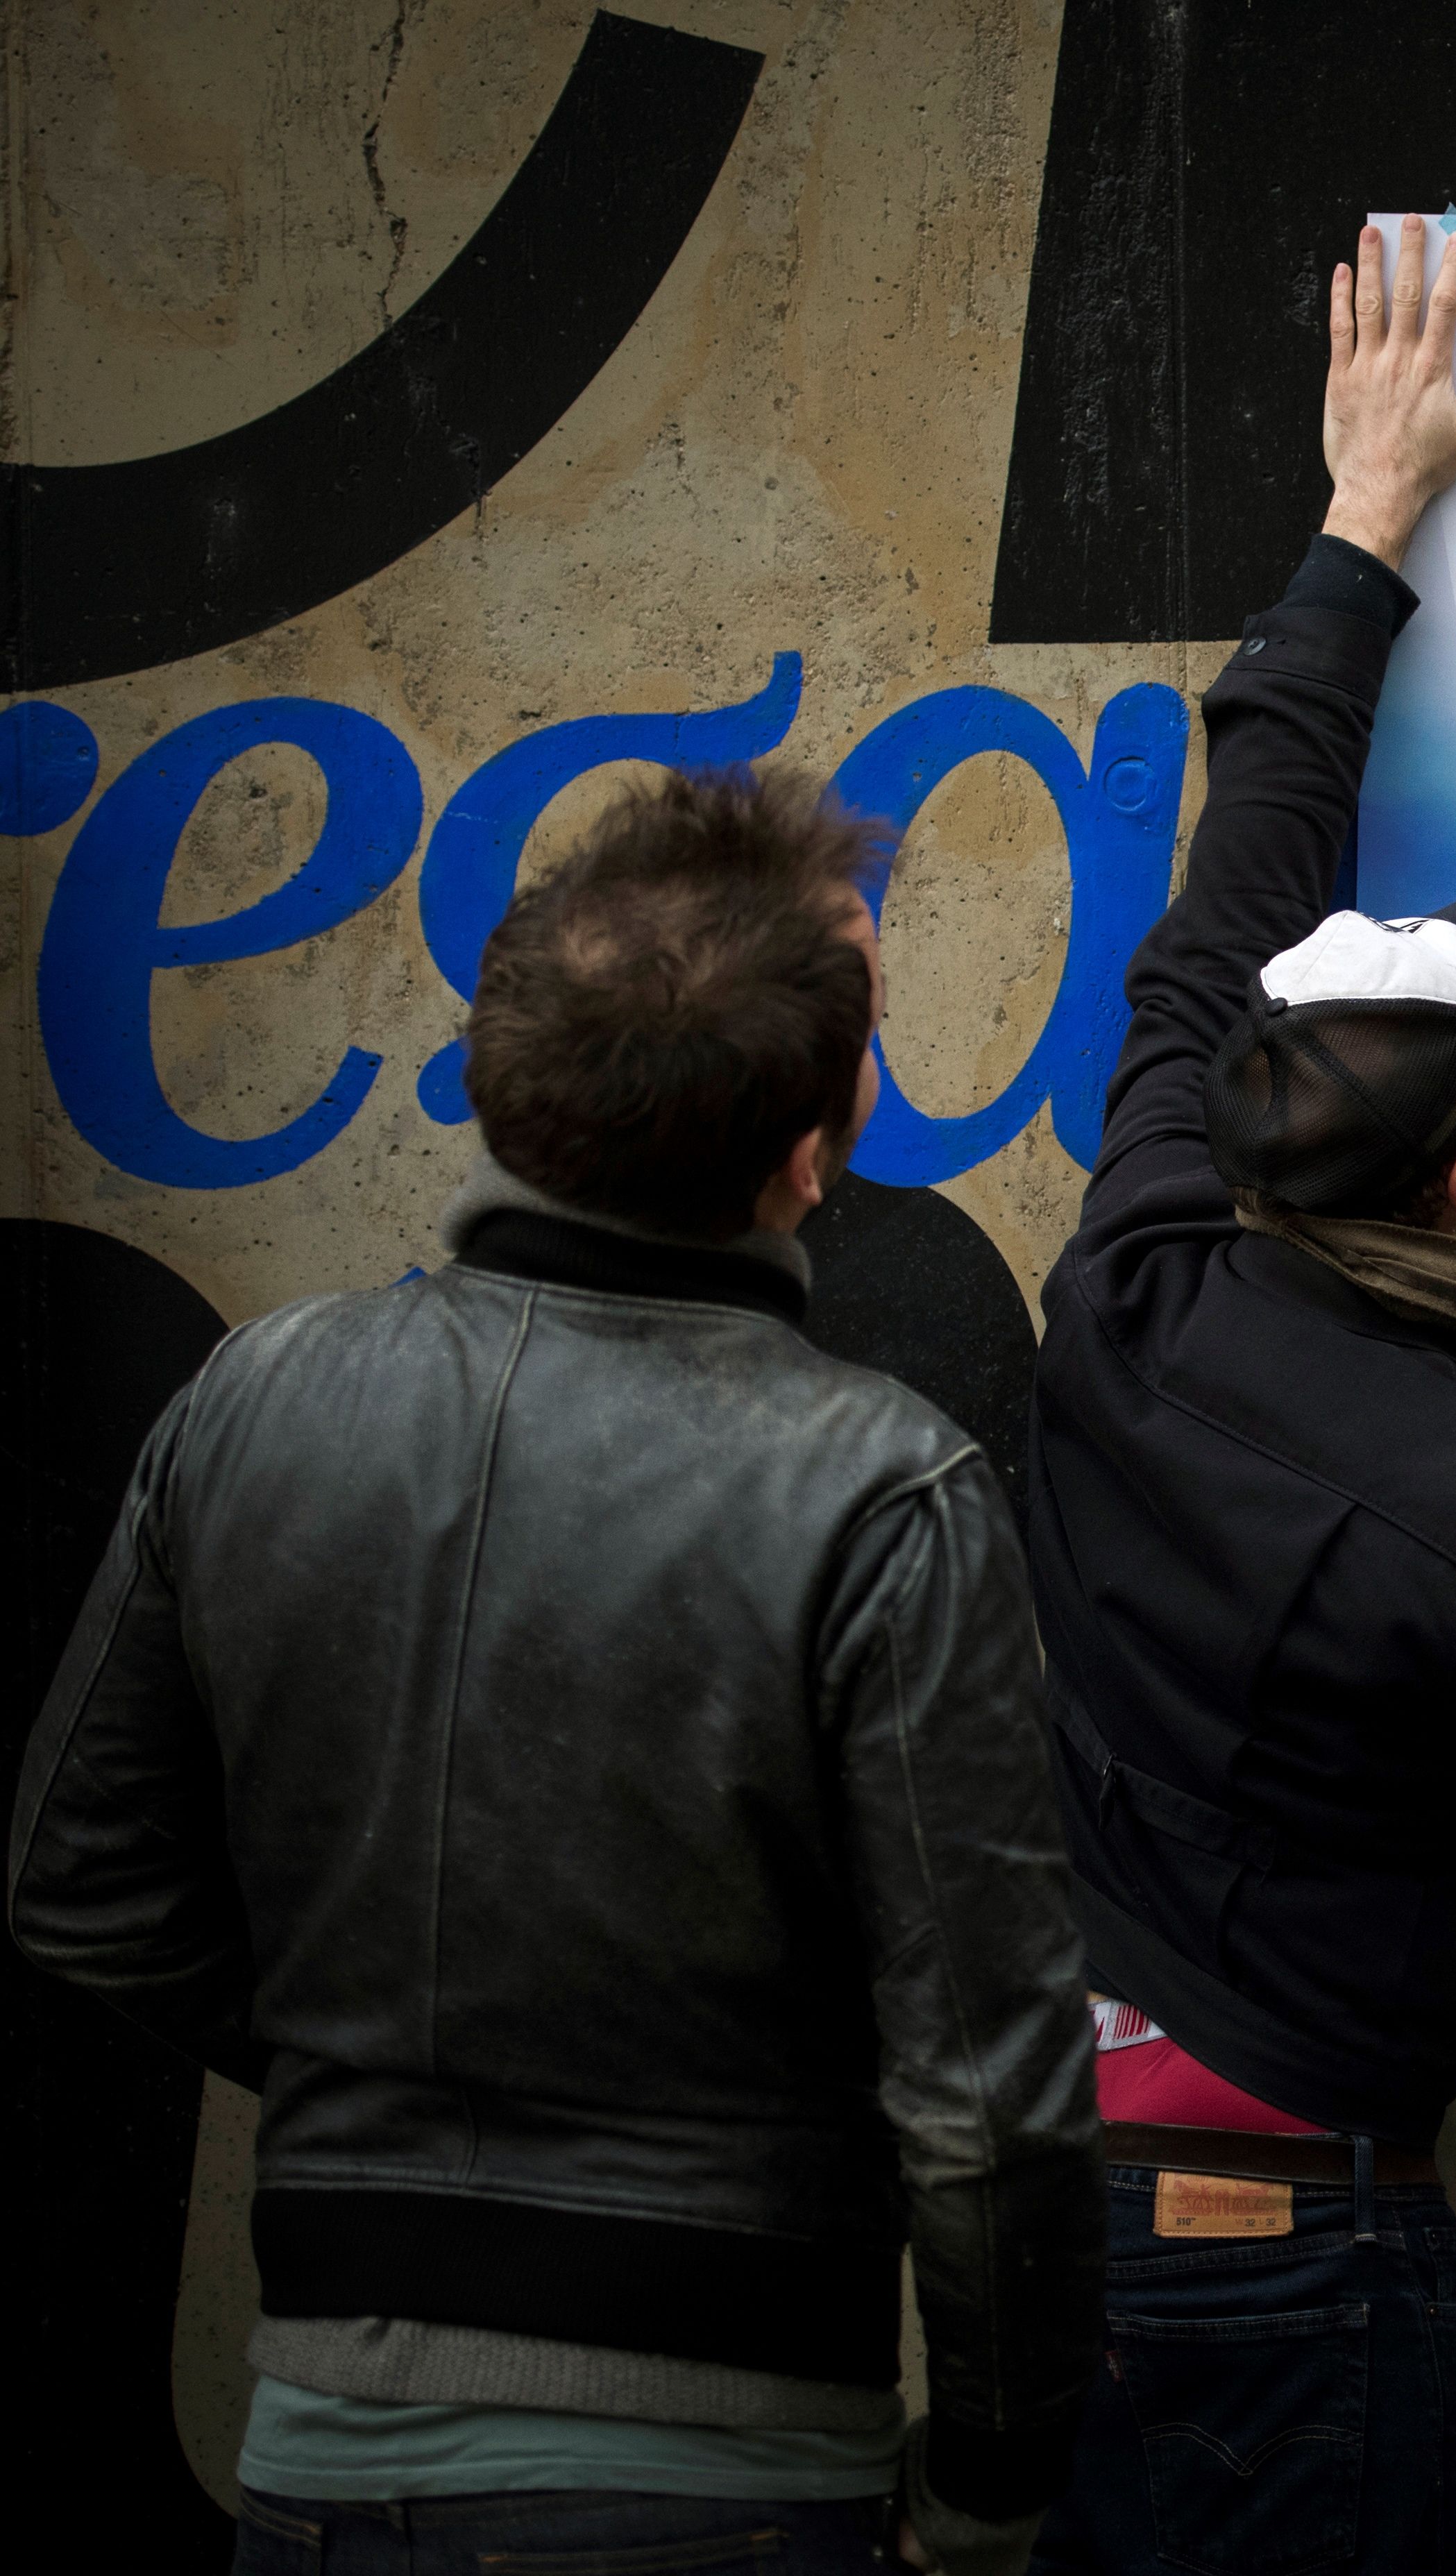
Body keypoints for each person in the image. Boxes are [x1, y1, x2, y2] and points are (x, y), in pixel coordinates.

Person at [10, 769, 1099, 2576]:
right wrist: (991, 2487)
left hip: (315, 2473)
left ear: (503, 1077)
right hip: (735, 2480)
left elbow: (83, 1887)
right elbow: (988, 2102)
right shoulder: (886, 1493)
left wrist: (372, 2091)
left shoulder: (254, 1403)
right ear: (810, 1155)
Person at [1022, 216, 1456, 2575]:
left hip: (1042, 2226)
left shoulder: (1130, 1274)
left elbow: (1231, 893)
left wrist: (1358, 527)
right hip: (1291, 2248)